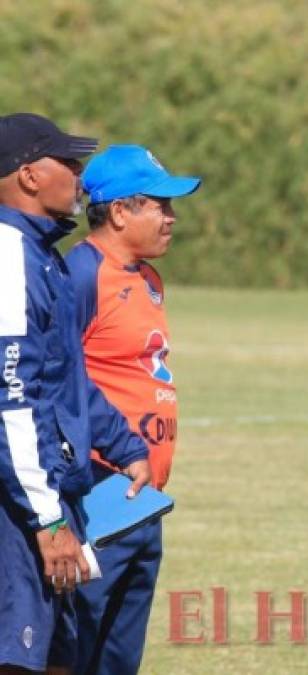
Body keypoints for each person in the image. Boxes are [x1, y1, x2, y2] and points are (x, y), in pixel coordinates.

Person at [0, 114, 150, 674]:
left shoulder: (40, 256)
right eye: (67, 162)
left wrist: (122, 443)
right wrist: (46, 520)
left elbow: (66, 380)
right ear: (30, 176)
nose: (79, 175)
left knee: (58, 653)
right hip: (18, 504)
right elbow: (12, 398)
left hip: (46, 492)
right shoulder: (9, 257)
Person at [65, 144, 200, 675]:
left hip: (144, 500)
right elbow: (51, 378)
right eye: (159, 205)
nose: (171, 218)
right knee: (74, 654)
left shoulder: (149, 279)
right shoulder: (79, 275)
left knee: (120, 661)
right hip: (94, 498)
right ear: (120, 210)